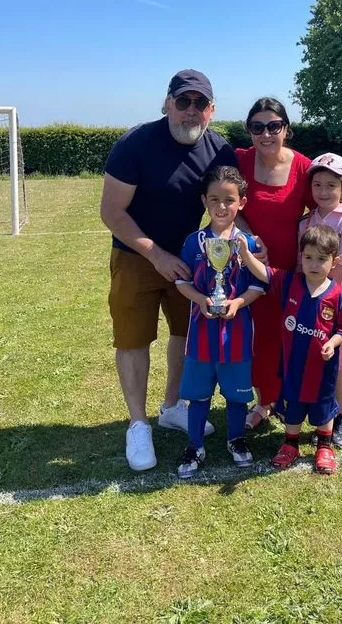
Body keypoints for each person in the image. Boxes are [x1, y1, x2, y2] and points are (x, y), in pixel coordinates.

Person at [100, 69, 238, 471]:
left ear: (211, 110)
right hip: (135, 255)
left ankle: (173, 406)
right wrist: (155, 254)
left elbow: (232, 205)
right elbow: (112, 211)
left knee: (186, 333)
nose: (190, 111)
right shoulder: (136, 143)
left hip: (189, 259)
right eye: (183, 102)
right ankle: (138, 423)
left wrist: (253, 244)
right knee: (133, 339)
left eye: (200, 103)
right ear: (167, 104)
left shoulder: (219, 151)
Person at [238, 225, 342, 474]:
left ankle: (324, 445)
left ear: (333, 262)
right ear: (301, 257)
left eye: (322, 259)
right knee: (292, 406)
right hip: (293, 367)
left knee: (323, 407)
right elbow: (264, 273)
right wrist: (245, 254)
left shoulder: (337, 295)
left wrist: (332, 343)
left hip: (322, 370)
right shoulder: (290, 283)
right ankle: (290, 444)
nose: (314, 265)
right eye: (309, 258)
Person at [174, 166, 265, 478]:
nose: (222, 206)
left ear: (242, 202)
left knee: (237, 394)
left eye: (229, 200)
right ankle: (195, 445)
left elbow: (258, 285)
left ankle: (235, 440)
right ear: (204, 201)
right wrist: (201, 300)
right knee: (199, 393)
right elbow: (181, 283)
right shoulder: (193, 242)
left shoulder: (249, 244)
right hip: (201, 334)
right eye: (215, 199)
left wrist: (238, 302)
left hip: (237, 335)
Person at [235, 98, 313, 430]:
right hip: (249, 267)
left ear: (286, 129)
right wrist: (251, 241)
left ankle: (290, 401)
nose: (265, 134)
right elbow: (227, 206)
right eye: (257, 127)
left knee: (290, 337)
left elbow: (327, 203)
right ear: (249, 131)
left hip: (291, 270)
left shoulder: (304, 167)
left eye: (273, 126)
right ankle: (263, 402)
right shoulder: (239, 161)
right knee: (257, 338)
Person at [298, 153, 342, 449]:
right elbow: (301, 264)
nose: (323, 192)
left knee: (339, 365)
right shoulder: (306, 221)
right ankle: (322, 414)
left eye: (331, 185)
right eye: (317, 185)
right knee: (317, 359)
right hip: (310, 300)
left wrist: (323, 299)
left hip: (338, 302)